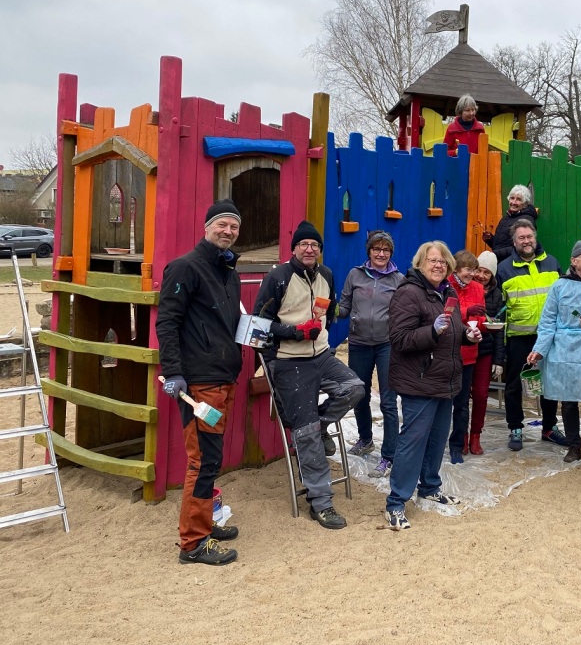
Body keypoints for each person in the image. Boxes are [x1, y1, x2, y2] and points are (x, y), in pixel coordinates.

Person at [254, 221, 365, 530]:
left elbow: (329, 313)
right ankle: (321, 502)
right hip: (289, 361)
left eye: (314, 245)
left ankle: (321, 425)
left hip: (322, 356)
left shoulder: (326, 275)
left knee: (355, 388)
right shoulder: (278, 277)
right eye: (303, 244)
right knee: (305, 430)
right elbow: (258, 324)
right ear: (294, 249)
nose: (309, 249)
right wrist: (294, 332)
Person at [155, 199, 243, 565]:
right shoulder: (185, 267)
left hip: (223, 380)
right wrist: (174, 372)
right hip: (199, 385)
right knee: (202, 460)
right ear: (207, 227)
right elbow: (167, 322)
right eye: (222, 224)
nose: (228, 231)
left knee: (211, 457)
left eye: (234, 227)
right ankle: (193, 543)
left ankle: (205, 522)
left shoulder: (228, 272)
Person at [384, 241, 482, 531]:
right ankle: (396, 502)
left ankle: (429, 486)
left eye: (442, 261)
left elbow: (451, 330)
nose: (438, 265)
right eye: (432, 261)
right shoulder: (409, 293)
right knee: (413, 442)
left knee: (438, 438)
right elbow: (400, 339)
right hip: (419, 380)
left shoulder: (447, 292)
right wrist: (431, 331)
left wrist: (467, 335)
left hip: (445, 379)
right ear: (420, 264)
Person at [527, 241, 581, 464]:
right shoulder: (559, 287)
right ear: (574, 261)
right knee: (569, 400)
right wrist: (539, 349)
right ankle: (574, 445)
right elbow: (547, 321)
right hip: (564, 350)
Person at [338, 230, 405, 479]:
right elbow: (344, 307)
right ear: (369, 251)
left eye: (386, 250)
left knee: (388, 400)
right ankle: (365, 439)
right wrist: (329, 309)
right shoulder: (355, 275)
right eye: (377, 249)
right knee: (359, 394)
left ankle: (389, 456)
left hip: (387, 345)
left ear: (391, 253)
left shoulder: (399, 279)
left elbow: (404, 312)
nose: (381, 253)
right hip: (358, 343)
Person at [497, 219, 564, 452]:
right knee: (514, 385)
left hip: (549, 337)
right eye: (521, 238)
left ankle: (549, 428)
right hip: (519, 337)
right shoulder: (504, 268)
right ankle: (516, 428)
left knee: (549, 383)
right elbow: (497, 304)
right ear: (514, 242)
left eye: (529, 237)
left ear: (535, 237)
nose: (527, 241)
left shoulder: (552, 263)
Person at [446, 249, 486, 464]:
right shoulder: (445, 285)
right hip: (446, 352)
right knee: (443, 401)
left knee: (462, 403)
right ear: (456, 269)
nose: (472, 274)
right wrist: (467, 312)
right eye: (468, 269)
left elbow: (479, 319)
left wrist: (481, 323)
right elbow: (445, 314)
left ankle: (458, 442)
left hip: (469, 353)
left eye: (474, 270)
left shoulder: (478, 288)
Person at [469, 251, 505, 455]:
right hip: (465, 348)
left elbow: (499, 330)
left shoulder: (497, 295)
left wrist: (499, 360)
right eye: (479, 270)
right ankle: (460, 435)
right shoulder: (465, 289)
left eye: (487, 272)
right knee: (462, 395)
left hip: (485, 351)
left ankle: (476, 435)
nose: (481, 276)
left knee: (481, 394)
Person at [482, 184, 539, 262]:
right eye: (512, 198)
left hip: (514, 263)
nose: (513, 202)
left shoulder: (526, 220)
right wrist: (490, 239)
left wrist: (495, 254)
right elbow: (502, 244)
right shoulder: (506, 217)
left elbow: (521, 246)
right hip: (501, 262)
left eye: (518, 199)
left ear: (525, 204)